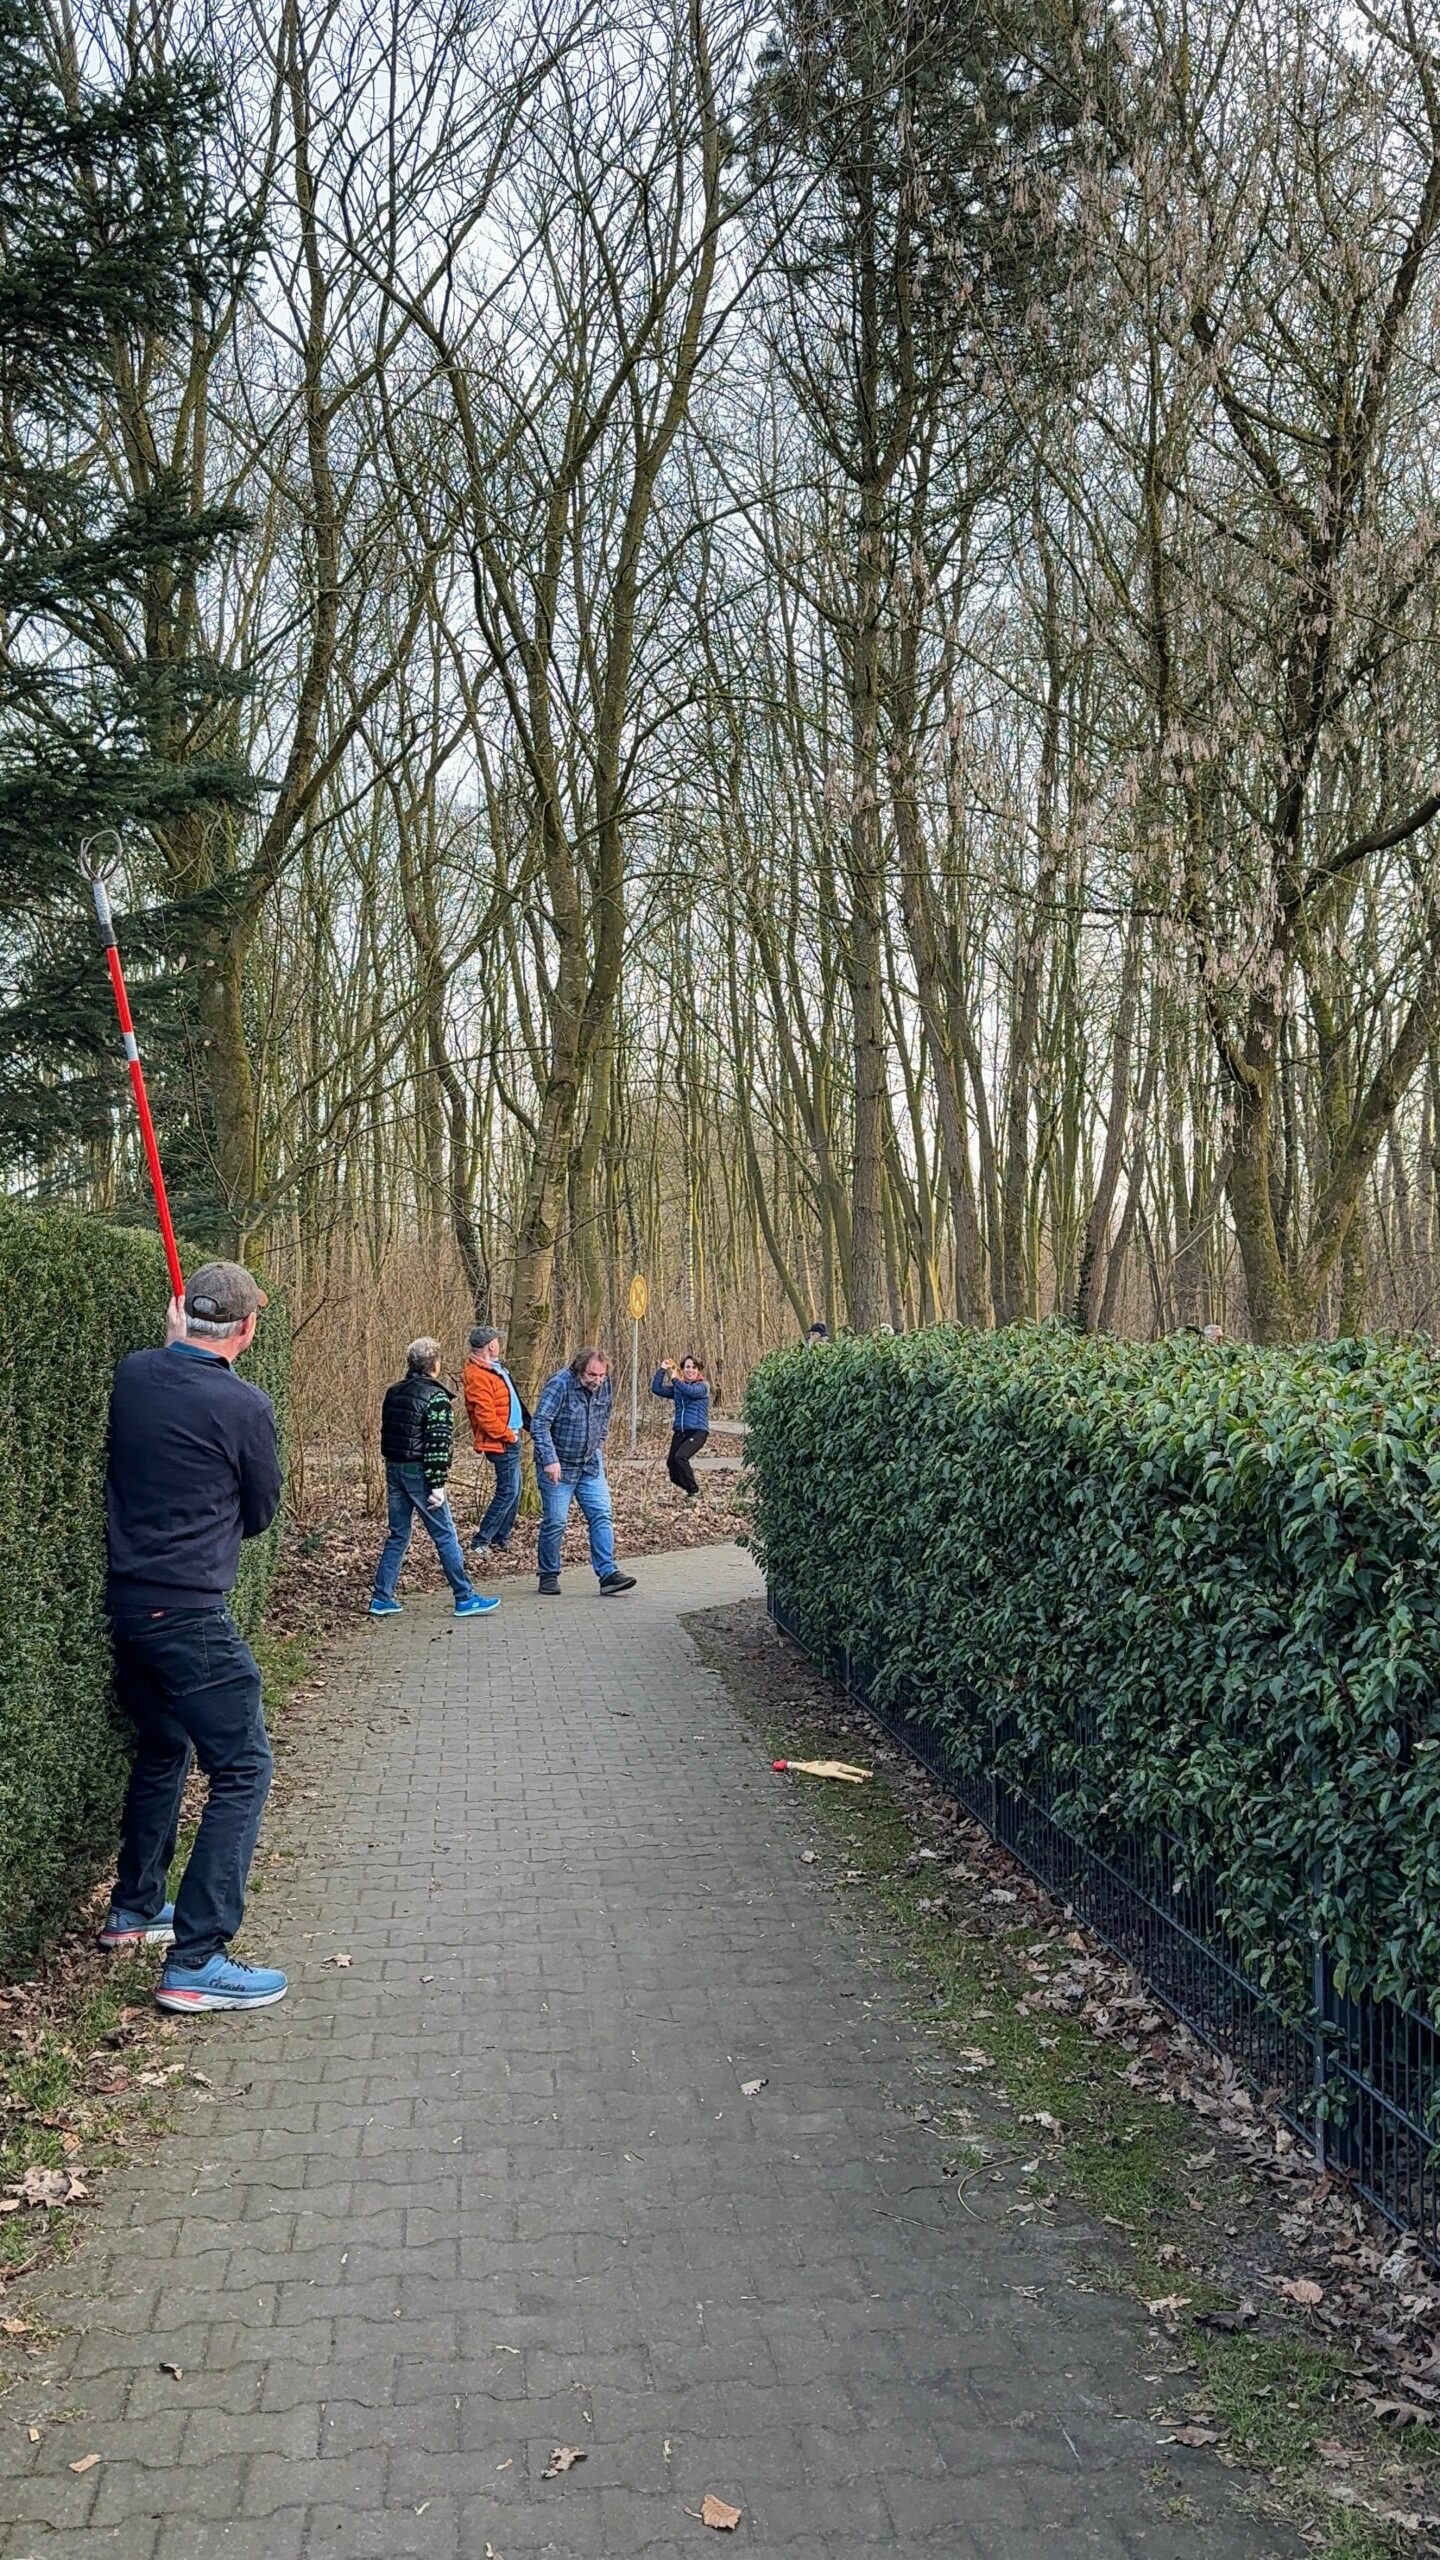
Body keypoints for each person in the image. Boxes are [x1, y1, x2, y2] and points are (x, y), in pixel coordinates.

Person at [100, 1261, 288, 2014]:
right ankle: (198, 1958)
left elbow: (166, 1365)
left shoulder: (135, 1375)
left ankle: (136, 1906)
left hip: (129, 1605)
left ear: (186, 1317)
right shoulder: (244, 1405)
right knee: (243, 1766)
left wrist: (174, 1341)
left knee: (164, 1743)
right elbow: (261, 1511)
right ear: (246, 1328)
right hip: (188, 1615)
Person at [370, 1339, 500, 1621]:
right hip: (420, 1473)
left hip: (394, 1469)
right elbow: (438, 1444)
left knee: (398, 1535)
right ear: (435, 1364)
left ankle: (381, 1596)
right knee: (445, 1535)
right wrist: (437, 1484)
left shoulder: (394, 1392)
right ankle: (464, 1596)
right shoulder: (436, 1398)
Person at [530, 1348, 637, 1598]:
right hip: (559, 1464)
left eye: (601, 1375)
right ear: (580, 1370)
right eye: (592, 1375)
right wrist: (550, 1459)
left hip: (589, 1464)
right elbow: (540, 1423)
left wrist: (599, 1441)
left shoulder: (604, 1385)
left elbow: (605, 1413)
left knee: (602, 1514)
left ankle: (608, 1573)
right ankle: (548, 1573)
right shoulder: (559, 1385)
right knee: (556, 1521)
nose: (597, 1381)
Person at [462, 1324, 525, 1561]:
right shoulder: (478, 1374)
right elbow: (485, 1416)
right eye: (496, 1341)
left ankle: (500, 1537)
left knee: (514, 1491)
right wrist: (508, 1435)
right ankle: (482, 1540)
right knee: (507, 1491)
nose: (499, 1344)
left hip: (509, 1437)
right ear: (490, 1346)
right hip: (501, 1441)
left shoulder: (493, 1368)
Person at [651, 1354, 710, 1501]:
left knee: (680, 1457)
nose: (690, 1370)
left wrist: (675, 1379)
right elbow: (656, 1389)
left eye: (694, 1367)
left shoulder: (703, 1386)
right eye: (687, 1367)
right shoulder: (678, 1388)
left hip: (698, 1431)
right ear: (682, 1369)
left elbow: (691, 1392)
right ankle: (691, 1491)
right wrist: (662, 1369)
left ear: (698, 1370)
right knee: (672, 1465)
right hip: (680, 1432)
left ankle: (695, 1491)